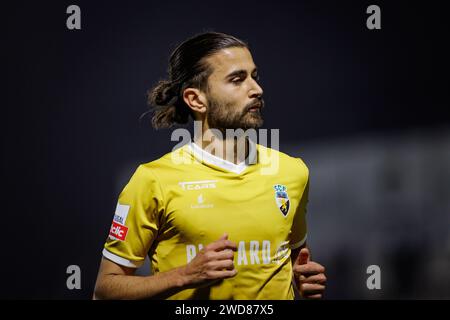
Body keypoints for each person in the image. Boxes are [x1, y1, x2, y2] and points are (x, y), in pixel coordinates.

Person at [93, 32, 326, 300]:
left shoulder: (292, 172)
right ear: (196, 100)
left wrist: (304, 279)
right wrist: (185, 275)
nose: (256, 89)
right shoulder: (152, 180)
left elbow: (295, 256)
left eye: (254, 76)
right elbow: (104, 291)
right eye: (237, 79)